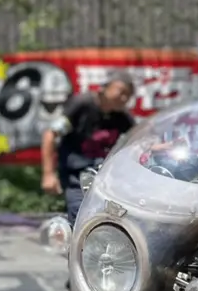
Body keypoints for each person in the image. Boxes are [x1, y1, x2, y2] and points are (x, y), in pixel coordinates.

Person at [41, 75, 135, 220]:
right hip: (77, 175)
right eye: (121, 92)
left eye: (128, 96)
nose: (123, 98)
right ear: (104, 88)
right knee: (81, 216)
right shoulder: (81, 105)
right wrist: (48, 174)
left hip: (106, 178)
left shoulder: (122, 117)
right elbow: (50, 135)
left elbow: (139, 141)